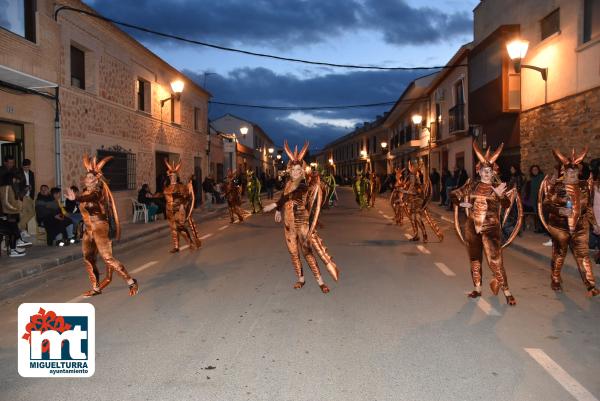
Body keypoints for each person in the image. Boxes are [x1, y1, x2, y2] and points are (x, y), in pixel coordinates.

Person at [451, 142, 521, 305]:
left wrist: (500, 195)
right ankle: (477, 288)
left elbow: (506, 205)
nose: (487, 173)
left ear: (493, 171)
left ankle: (507, 291)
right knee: (475, 259)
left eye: (489, 171)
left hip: (491, 228)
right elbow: (455, 195)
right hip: (472, 227)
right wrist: (462, 204)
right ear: (479, 171)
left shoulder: (498, 186)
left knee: (495, 260)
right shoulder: (472, 185)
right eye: (484, 170)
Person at [264, 141, 339, 293]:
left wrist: (274, 205)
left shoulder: (304, 185)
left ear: (302, 171)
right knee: (293, 253)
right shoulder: (288, 184)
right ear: (289, 170)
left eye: (299, 169)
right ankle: (301, 279)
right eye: (293, 169)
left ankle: (320, 281)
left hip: (301, 223)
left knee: (308, 253)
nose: (296, 172)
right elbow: (286, 196)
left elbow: (292, 195)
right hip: (288, 224)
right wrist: (279, 211)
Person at [66, 155, 138, 297]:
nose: (87, 179)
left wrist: (77, 198)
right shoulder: (84, 193)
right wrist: (75, 199)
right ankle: (96, 287)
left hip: (100, 228)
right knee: (88, 258)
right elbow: (83, 202)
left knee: (107, 258)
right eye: (86, 177)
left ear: (96, 180)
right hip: (88, 230)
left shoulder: (98, 193)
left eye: (90, 178)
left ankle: (131, 281)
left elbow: (89, 198)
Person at [539, 147, 599, 296]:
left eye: (575, 171)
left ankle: (590, 285)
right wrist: (559, 210)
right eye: (569, 172)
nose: (572, 174)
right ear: (564, 172)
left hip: (580, 226)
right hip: (560, 227)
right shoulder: (556, 186)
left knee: (583, 255)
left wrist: (595, 224)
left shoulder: (584, 185)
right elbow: (546, 204)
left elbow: (588, 207)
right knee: (559, 254)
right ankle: (555, 278)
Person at [163, 159, 202, 253]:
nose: (172, 178)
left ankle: (191, 242)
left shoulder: (181, 187)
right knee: (173, 228)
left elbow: (187, 198)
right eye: (171, 176)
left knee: (180, 227)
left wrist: (183, 207)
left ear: (176, 176)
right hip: (169, 211)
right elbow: (165, 197)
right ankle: (176, 247)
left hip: (178, 211)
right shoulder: (167, 187)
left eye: (174, 176)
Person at [402, 160, 443, 243]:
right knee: (413, 218)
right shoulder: (414, 175)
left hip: (417, 199)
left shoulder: (413, 175)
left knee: (417, 217)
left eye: (410, 166)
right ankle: (416, 235)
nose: (409, 167)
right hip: (415, 199)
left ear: (412, 167)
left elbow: (412, 188)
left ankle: (425, 236)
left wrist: (404, 192)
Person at [0, 172, 31, 256]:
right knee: (13, 232)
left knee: (14, 231)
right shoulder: (5, 187)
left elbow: (15, 199)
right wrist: (16, 209)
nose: (16, 181)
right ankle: (13, 249)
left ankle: (14, 247)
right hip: (9, 213)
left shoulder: (11, 187)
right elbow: (5, 202)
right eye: (15, 179)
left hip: (13, 212)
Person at [522, 165, 545, 232]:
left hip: (541, 198)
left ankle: (542, 229)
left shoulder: (541, 177)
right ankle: (539, 228)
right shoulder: (532, 179)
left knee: (541, 214)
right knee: (537, 214)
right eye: (533, 170)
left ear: (538, 170)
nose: (535, 171)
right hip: (534, 199)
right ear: (531, 171)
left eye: (536, 169)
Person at [17, 159, 35, 238]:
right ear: (22, 166)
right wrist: (25, 188)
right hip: (22, 196)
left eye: (28, 167)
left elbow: (33, 184)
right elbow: (17, 185)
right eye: (25, 167)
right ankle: (23, 230)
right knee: (23, 213)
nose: (27, 169)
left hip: (29, 196)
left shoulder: (31, 173)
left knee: (32, 212)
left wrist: (32, 194)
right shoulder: (18, 173)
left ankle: (19, 226)